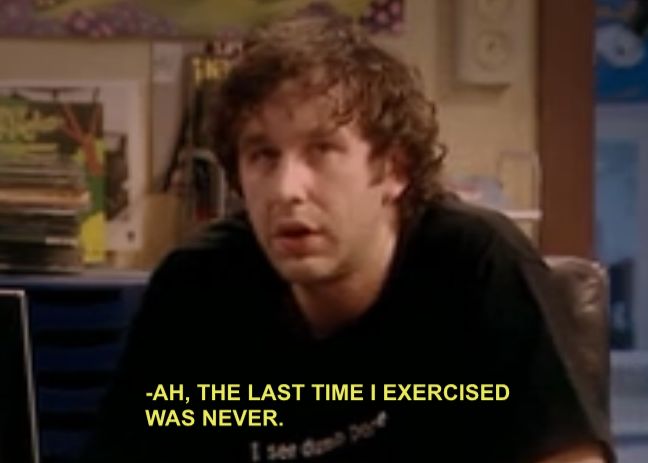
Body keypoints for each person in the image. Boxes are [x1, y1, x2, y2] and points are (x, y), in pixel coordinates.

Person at [81, 15, 614, 463]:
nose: (286, 190)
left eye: (322, 151)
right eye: (263, 156)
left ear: (394, 169)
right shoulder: (197, 286)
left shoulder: (475, 264)